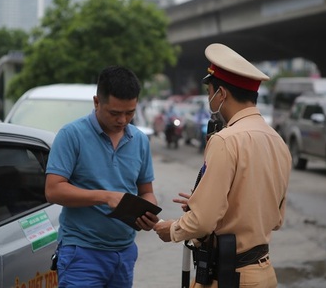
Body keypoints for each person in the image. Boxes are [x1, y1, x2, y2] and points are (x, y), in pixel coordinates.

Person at [154, 43, 292, 288]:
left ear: (222, 94)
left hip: (229, 276)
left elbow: (204, 222)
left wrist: (173, 229)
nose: (209, 97)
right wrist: (205, 203)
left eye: (210, 90)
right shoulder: (278, 141)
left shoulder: (225, 140)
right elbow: (275, 219)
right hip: (264, 274)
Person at [45, 65, 159, 288]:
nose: (123, 120)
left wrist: (148, 211)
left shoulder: (140, 141)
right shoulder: (72, 135)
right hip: (82, 253)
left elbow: (146, 191)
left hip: (125, 253)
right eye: (115, 113)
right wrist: (105, 197)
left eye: (130, 112)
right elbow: (53, 190)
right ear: (97, 102)